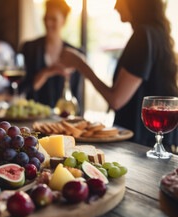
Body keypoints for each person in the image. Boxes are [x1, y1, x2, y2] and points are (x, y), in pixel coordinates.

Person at [59, 0, 178, 148]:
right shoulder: (158, 34)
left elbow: (116, 100)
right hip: (157, 143)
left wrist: (81, 64)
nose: (115, 7)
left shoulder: (144, 35)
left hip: (141, 146)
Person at [19, 0, 83, 110]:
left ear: (64, 21)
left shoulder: (76, 53)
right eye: (46, 18)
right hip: (34, 116)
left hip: (63, 119)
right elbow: (23, 90)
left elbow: (76, 95)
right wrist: (47, 72)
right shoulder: (29, 48)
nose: (48, 23)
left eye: (53, 19)